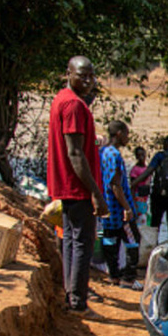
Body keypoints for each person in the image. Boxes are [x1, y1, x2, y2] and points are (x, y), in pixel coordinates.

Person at [47, 56, 108, 316]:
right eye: (82, 75)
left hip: (67, 184)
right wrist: (95, 192)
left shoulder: (62, 99)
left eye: (91, 76)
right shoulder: (73, 104)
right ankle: (78, 302)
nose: (88, 81)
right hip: (77, 186)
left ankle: (71, 294)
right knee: (83, 242)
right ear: (68, 74)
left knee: (71, 240)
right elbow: (74, 153)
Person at [98, 121, 142, 289]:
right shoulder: (114, 155)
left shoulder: (102, 151)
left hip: (106, 207)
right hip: (118, 209)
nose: (127, 138)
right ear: (119, 134)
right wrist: (127, 208)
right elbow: (115, 184)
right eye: (126, 134)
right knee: (133, 240)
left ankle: (114, 275)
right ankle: (128, 278)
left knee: (110, 240)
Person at [131, 134, 168, 246]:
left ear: (165, 144)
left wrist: (133, 184)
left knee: (155, 226)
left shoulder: (160, 156)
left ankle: (152, 249)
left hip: (158, 196)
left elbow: (148, 172)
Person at [129, 146, 150, 227]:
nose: (141, 157)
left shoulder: (147, 168)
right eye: (139, 156)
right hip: (138, 199)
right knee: (140, 221)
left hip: (145, 198)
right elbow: (132, 187)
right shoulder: (135, 170)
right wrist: (133, 203)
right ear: (136, 157)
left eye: (143, 155)